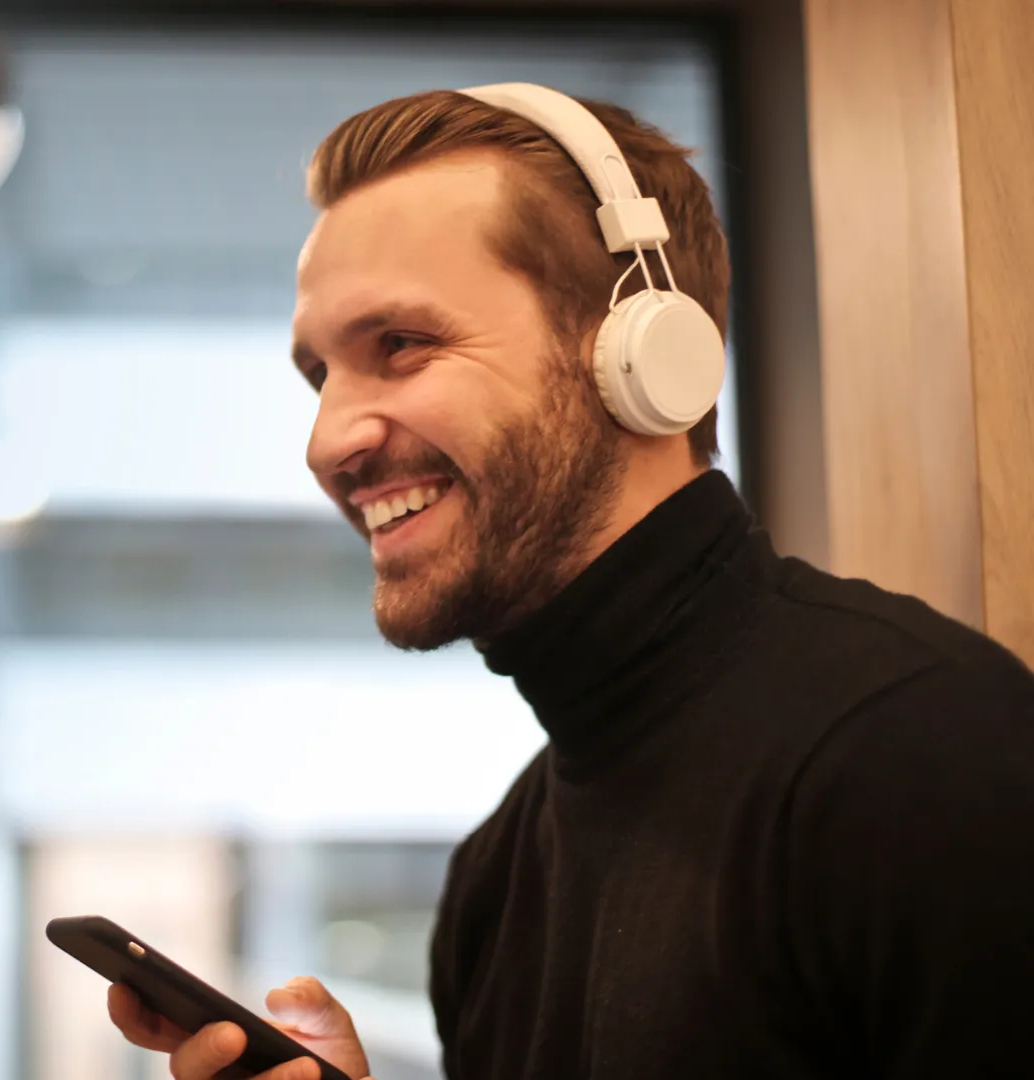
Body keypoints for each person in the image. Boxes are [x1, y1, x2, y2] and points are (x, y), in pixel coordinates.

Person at [109, 84, 1034, 1080]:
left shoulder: (915, 751)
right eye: (318, 376)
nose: (327, 442)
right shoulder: (496, 881)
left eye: (403, 346)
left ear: (641, 352)